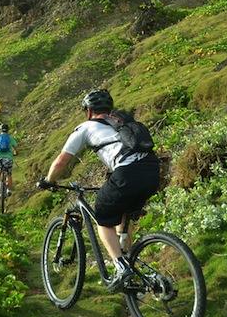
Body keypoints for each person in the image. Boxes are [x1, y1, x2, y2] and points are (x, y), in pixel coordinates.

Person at [38, 89, 160, 292]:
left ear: (88, 111)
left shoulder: (85, 127)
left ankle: (121, 267)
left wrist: (49, 180)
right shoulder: (122, 122)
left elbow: (62, 161)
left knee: (102, 218)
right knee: (122, 214)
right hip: (152, 170)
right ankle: (129, 260)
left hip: (127, 172)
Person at [0, 123, 18, 196]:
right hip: (8, 158)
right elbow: (16, 148)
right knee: (9, 174)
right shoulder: (10, 138)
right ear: (8, 130)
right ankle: (9, 190)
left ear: (0, 130)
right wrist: (16, 153)